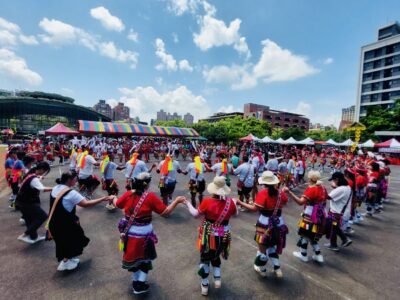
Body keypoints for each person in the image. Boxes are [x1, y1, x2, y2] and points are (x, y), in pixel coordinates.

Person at [112, 172, 185, 295]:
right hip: (144, 235)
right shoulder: (150, 197)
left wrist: (113, 197)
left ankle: (136, 282)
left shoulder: (128, 194)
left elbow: (117, 204)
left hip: (128, 233)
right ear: (147, 184)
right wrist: (176, 201)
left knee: (134, 259)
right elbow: (165, 212)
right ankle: (139, 284)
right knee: (145, 259)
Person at [184, 176, 238, 296]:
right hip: (223, 236)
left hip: (208, 236)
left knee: (205, 259)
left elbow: (195, 214)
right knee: (215, 256)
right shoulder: (230, 203)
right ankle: (217, 278)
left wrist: (187, 203)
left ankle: (205, 285)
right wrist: (234, 202)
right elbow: (236, 214)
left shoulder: (207, 201)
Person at [48, 172, 111, 271]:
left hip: (54, 222)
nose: (76, 181)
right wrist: (103, 198)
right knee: (72, 239)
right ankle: (66, 262)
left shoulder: (56, 188)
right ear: (69, 180)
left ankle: (68, 259)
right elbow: (86, 204)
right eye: (75, 179)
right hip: (65, 223)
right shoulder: (71, 193)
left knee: (63, 241)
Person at [237, 171, 288, 278]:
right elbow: (285, 201)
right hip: (278, 222)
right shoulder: (280, 193)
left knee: (262, 248)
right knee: (272, 245)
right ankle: (277, 268)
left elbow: (255, 208)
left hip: (265, 222)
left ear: (264, 183)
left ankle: (262, 269)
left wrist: (240, 203)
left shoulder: (263, 193)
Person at [287, 171, 327, 263]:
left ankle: (303, 254)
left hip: (310, 215)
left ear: (311, 179)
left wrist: (289, 192)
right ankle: (318, 254)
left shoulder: (312, 189)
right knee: (312, 235)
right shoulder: (323, 188)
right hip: (320, 215)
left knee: (304, 235)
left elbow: (300, 202)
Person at [15, 162, 52, 244]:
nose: (44, 173)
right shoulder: (34, 179)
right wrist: (55, 188)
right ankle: (24, 235)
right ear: (42, 169)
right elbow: (43, 189)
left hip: (20, 201)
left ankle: (34, 237)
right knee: (43, 216)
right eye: (45, 171)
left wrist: (39, 178)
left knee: (29, 219)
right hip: (26, 202)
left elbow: (33, 180)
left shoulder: (31, 173)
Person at [325, 172, 353, 251]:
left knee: (334, 227)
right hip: (343, 212)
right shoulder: (347, 187)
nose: (333, 182)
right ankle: (334, 244)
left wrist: (321, 188)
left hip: (337, 213)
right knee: (334, 228)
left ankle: (344, 239)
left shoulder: (341, 189)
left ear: (337, 180)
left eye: (333, 180)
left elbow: (328, 197)